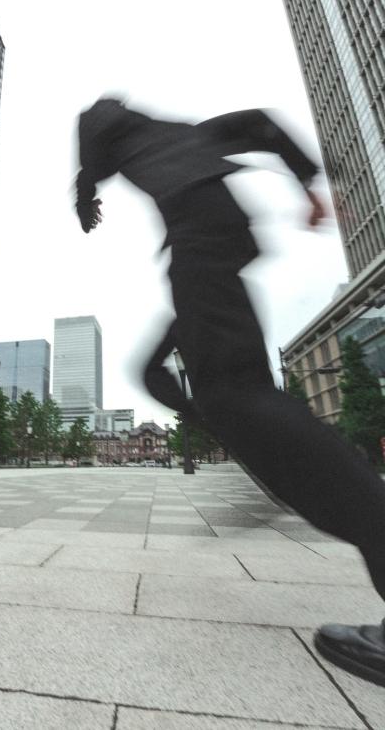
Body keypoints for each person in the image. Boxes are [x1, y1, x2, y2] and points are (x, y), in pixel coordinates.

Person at [74, 98, 385, 687]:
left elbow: (93, 139)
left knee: (236, 396)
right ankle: (263, 445)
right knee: (209, 386)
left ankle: (350, 498)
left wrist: (84, 191)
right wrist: (310, 184)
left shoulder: (124, 140)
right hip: (218, 250)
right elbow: (259, 124)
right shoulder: (180, 137)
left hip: (203, 250)